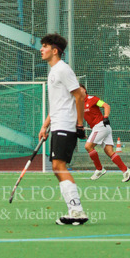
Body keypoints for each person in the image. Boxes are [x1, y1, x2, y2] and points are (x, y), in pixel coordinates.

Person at [38, 32, 88, 226]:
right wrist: (45, 125)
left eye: (45, 46)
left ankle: (77, 210)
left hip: (66, 125)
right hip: (58, 123)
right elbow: (58, 103)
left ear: (55, 50)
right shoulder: (53, 72)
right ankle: (74, 210)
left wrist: (80, 124)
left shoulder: (62, 70)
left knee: (59, 166)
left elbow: (79, 96)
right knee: (58, 168)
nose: (41, 49)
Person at [82, 89, 130, 182]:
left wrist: (105, 116)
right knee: (109, 151)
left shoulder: (92, 98)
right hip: (101, 128)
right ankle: (126, 170)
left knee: (88, 146)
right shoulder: (79, 104)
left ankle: (99, 169)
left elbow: (106, 106)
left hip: (100, 126)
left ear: (84, 90)